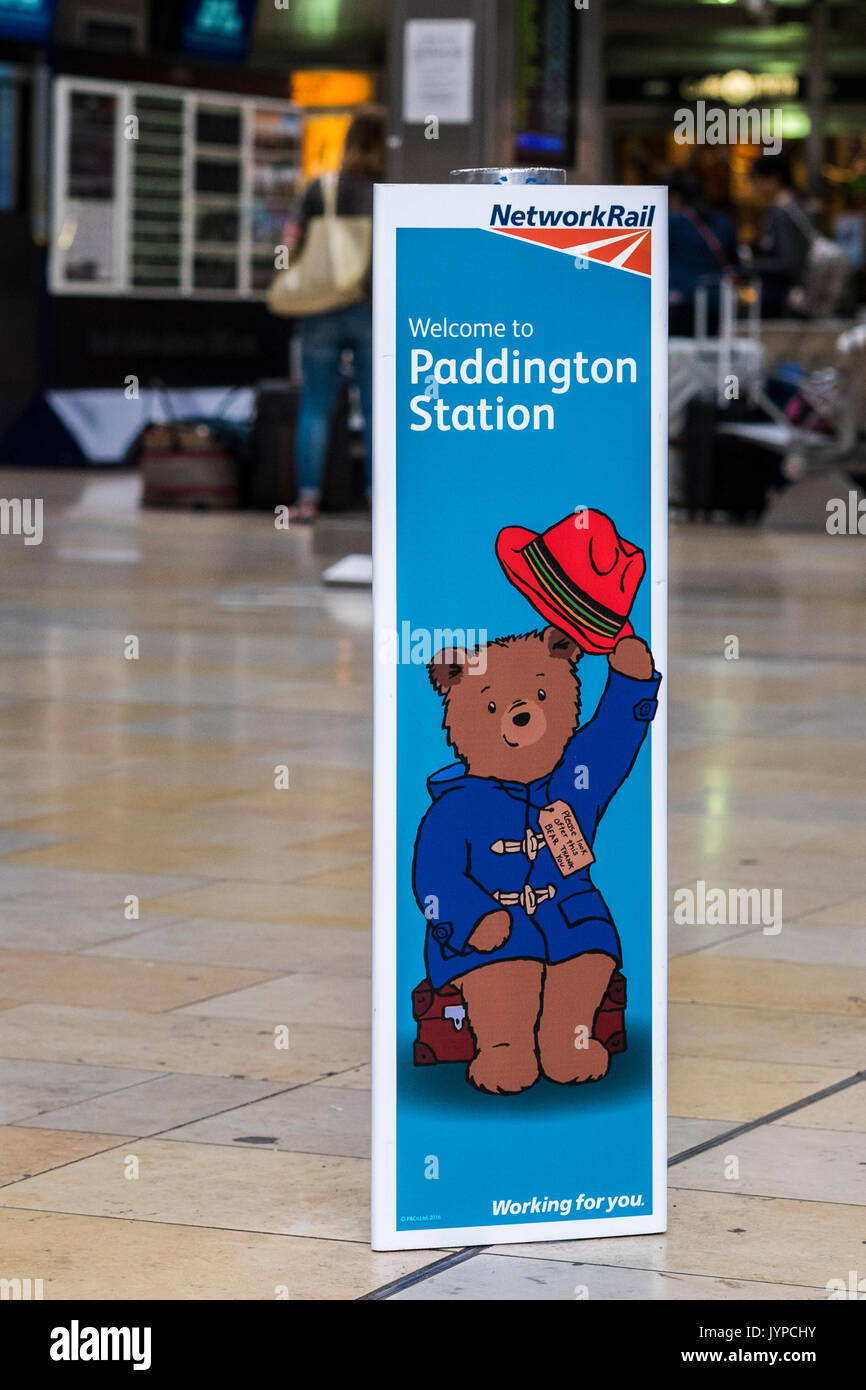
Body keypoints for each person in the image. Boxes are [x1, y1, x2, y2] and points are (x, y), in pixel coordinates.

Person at [290, 111, 384, 521]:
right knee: (378, 404)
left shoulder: (321, 188)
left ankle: (307, 499)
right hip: (370, 308)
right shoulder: (385, 192)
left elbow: (293, 242)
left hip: (322, 307)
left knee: (315, 405)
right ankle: (377, 497)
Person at [668, 170, 739, 336]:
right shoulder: (723, 221)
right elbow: (733, 260)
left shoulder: (672, 222)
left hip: (681, 298)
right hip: (717, 298)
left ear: (676, 198)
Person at [748, 152, 812, 317]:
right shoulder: (797, 205)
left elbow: (788, 261)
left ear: (774, 178)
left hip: (786, 298)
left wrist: (753, 265)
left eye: (758, 179)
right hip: (795, 293)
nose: (756, 187)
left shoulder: (782, 212)